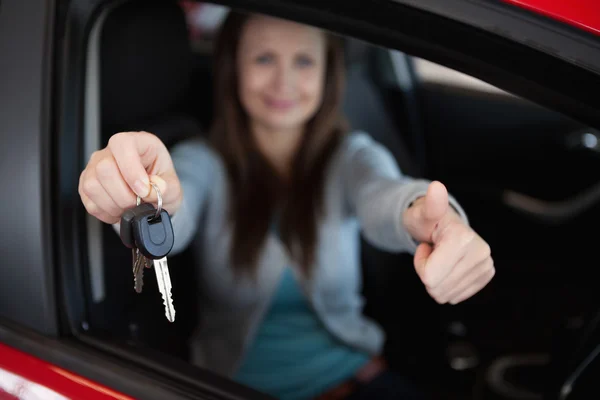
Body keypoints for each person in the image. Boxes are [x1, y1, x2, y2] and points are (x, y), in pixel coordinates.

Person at [78, 10, 495, 400]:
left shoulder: (350, 156)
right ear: (232, 68)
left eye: (304, 62)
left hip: (355, 381)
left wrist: (434, 220)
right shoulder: (202, 162)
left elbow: (387, 195)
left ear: (329, 72)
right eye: (263, 59)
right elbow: (171, 212)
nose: (285, 83)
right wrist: (137, 194)